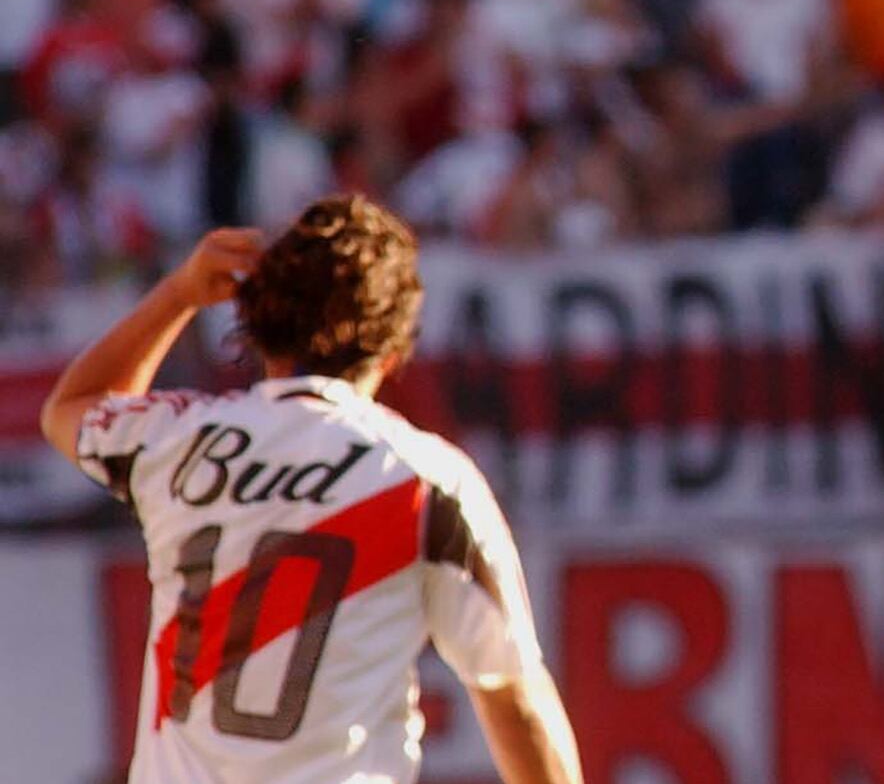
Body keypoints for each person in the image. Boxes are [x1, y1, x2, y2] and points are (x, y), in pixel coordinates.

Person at [39, 196, 582, 784]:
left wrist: (178, 296)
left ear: (257, 327)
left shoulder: (178, 442)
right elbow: (514, 699)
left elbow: (72, 406)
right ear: (393, 351)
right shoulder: (424, 481)